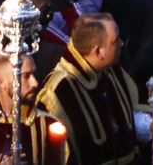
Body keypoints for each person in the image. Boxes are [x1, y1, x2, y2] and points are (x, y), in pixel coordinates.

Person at [36, 14, 141, 165]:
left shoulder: (112, 71)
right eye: (115, 41)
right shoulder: (58, 92)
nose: (122, 44)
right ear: (99, 52)